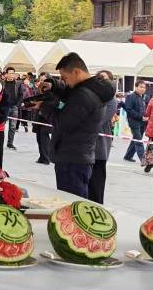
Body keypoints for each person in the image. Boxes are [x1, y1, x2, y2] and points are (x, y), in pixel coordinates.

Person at [49, 53, 114, 198]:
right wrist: (54, 86)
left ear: (76, 72)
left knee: (72, 203)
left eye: (65, 78)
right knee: (74, 201)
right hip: (77, 155)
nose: (65, 83)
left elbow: (63, 122)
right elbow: (68, 94)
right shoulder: (88, 90)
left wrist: (45, 107)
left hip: (72, 157)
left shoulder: (84, 95)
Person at [90, 70, 118, 203]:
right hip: (87, 147)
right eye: (98, 78)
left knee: (96, 184)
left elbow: (98, 120)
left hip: (100, 147)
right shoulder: (92, 97)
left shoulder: (111, 100)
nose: (101, 81)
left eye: (104, 78)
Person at [28, 76, 58, 164]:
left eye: (44, 80)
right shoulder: (40, 91)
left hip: (47, 118)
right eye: (40, 80)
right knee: (39, 137)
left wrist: (44, 104)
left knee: (44, 138)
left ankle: (46, 158)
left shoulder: (54, 93)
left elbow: (57, 104)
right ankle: (42, 157)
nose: (42, 82)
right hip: (39, 117)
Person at [122, 81, 148, 163]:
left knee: (136, 139)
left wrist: (145, 117)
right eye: (141, 87)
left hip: (142, 122)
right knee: (139, 140)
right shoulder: (131, 96)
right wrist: (141, 117)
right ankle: (143, 160)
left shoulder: (142, 97)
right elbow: (129, 110)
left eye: (144, 87)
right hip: (134, 121)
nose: (142, 89)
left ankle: (128, 156)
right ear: (136, 87)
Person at [3, 67, 24, 150]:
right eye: (10, 73)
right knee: (1, 125)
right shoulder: (2, 83)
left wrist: (17, 105)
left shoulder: (18, 83)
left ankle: (10, 143)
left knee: (13, 126)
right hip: (4, 108)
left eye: (13, 73)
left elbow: (21, 95)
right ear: (6, 74)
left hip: (14, 107)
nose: (11, 75)